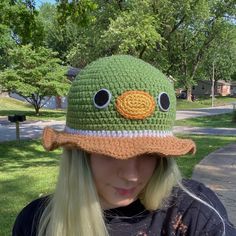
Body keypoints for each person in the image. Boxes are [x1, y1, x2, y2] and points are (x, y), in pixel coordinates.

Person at [12, 55, 236, 236]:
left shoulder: (193, 212)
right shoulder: (37, 223)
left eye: (148, 153)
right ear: (78, 153)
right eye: (110, 153)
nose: (131, 175)